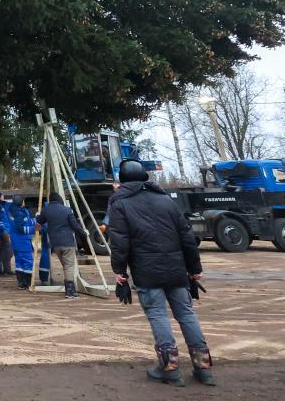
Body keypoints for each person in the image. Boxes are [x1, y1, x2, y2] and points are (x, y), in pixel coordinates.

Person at [109, 159, 214, 387]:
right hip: (177, 270)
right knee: (186, 314)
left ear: (122, 180)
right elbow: (186, 236)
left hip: (147, 272)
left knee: (158, 315)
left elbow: (119, 241)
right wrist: (195, 269)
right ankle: (203, 367)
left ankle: (170, 367)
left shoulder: (120, 203)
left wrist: (119, 270)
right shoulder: (166, 200)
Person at [36, 192, 86, 299]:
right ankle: (70, 291)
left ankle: (69, 288)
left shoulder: (46, 210)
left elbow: (39, 221)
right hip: (67, 242)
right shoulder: (67, 210)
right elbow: (75, 225)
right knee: (69, 266)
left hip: (55, 244)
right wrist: (84, 233)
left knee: (66, 265)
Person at [8, 196, 35, 289]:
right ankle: (27, 283)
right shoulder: (19, 213)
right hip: (22, 241)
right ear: (20, 202)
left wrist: (35, 220)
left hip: (15, 241)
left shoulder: (13, 210)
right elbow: (21, 228)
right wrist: (34, 229)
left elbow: (26, 222)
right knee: (27, 261)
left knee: (19, 262)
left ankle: (21, 283)